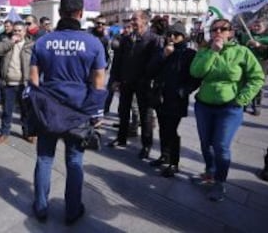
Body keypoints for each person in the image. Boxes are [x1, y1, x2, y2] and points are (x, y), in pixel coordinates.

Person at [29, 0, 106, 225]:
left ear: (60, 13)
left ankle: (41, 207)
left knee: (44, 159)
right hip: (78, 112)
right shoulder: (93, 43)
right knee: (74, 162)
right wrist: (96, 113)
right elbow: (98, 81)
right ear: (81, 13)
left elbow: (33, 79)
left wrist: (37, 107)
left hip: (49, 112)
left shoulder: (43, 41)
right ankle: (72, 211)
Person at [190, 18, 264, 202]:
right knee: (206, 143)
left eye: (223, 29)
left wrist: (241, 99)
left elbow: (257, 77)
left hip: (229, 108)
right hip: (204, 106)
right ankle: (209, 172)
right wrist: (213, 53)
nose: (218, 32)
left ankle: (220, 182)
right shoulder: (204, 51)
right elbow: (196, 72)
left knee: (221, 146)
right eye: (214, 29)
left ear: (231, 32)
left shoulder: (242, 52)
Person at [147, 22, 200, 177]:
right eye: (169, 34)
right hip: (160, 97)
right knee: (163, 128)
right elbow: (150, 71)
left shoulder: (189, 54)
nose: (171, 37)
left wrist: (183, 91)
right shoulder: (162, 51)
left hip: (176, 99)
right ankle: (164, 155)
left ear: (183, 36)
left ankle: (174, 163)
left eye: (175, 35)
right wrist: (163, 55)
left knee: (172, 130)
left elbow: (196, 78)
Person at [108, 10, 162, 159]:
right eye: (131, 19)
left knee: (146, 115)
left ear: (145, 21)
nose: (132, 22)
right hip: (126, 81)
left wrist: (150, 80)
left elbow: (156, 63)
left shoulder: (154, 40)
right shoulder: (126, 39)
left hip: (143, 83)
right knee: (123, 111)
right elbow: (118, 61)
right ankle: (121, 138)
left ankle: (146, 145)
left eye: (135, 19)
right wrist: (115, 80)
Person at [0, 21, 34, 145]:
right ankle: (4, 133)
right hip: (9, 83)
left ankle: (27, 133)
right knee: (7, 111)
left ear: (25, 32)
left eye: (19, 30)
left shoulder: (31, 45)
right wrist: (11, 42)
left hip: (24, 84)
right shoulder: (6, 42)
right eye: (15, 30)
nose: (16, 33)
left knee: (25, 111)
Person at [239, 18, 268, 116]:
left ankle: (257, 106)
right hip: (246, 63)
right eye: (254, 26)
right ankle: (243, 103)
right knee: (244, 83)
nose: (255, 28)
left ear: (265, 27)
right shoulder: (247, 35)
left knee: (258, 85)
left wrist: (259, 45)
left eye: (258, 26)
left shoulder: (266, 37)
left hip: (261, 63)